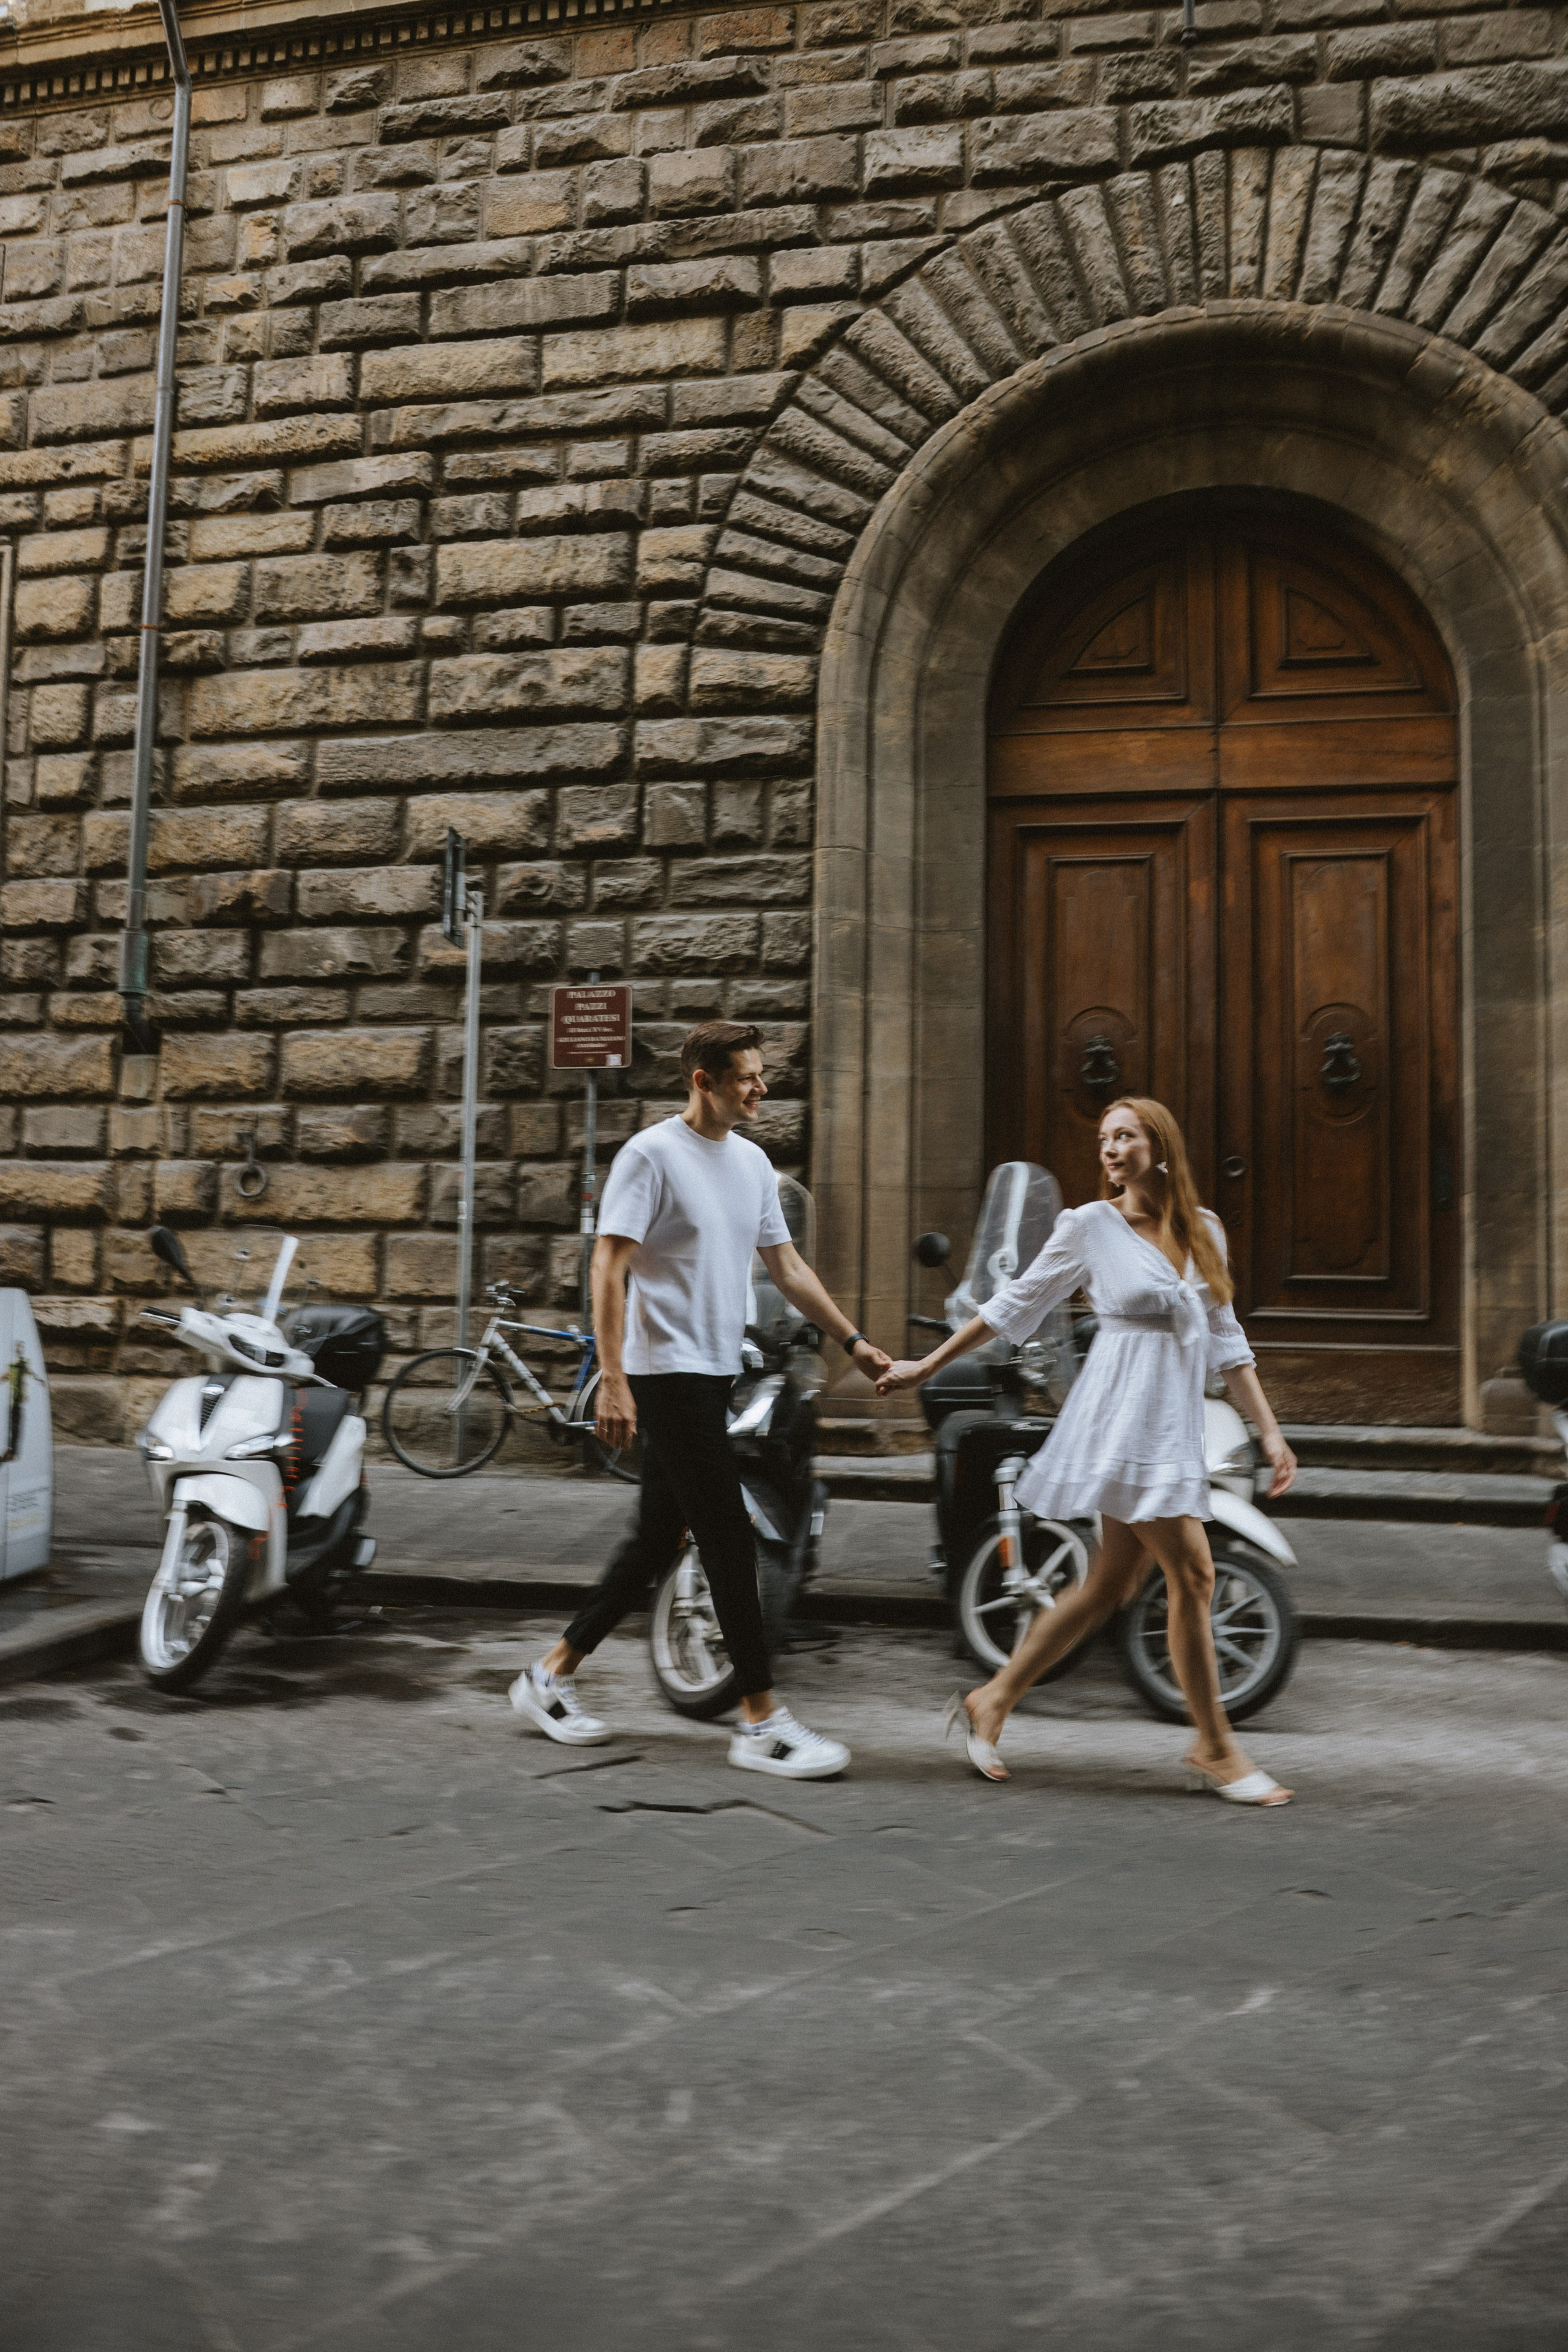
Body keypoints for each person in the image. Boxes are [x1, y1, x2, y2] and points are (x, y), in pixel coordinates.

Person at [877, 1097, 1298, 1806]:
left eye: (1125, 1136)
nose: (1110, 1149)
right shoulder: (1089, 1227)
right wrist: (927, 1364)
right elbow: (1015, 1305)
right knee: (1193, 1575)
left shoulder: (1205, 1232)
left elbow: (1227, 1342)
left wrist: (1269, 1430)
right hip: (1121, 1421)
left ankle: (994, 1697)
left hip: (1170, 1423)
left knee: (1110, 1584)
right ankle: (1215, 1747)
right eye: (1104, 1139)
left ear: (1158, 1144)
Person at [509, 1020, 892, 1779]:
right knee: (728, 1539)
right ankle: (760, 1721)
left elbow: (786, 1268)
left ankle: (546, 1677)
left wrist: (853, 1342)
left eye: (759, 1074)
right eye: (747, 1076)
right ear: (703, 1081)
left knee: (656, 1538)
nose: (761, 1087)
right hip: (664, 1374)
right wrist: (613, 1378)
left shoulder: (750, 1163)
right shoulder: (650, 1156)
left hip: (715, 1372)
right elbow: (608, 1267)